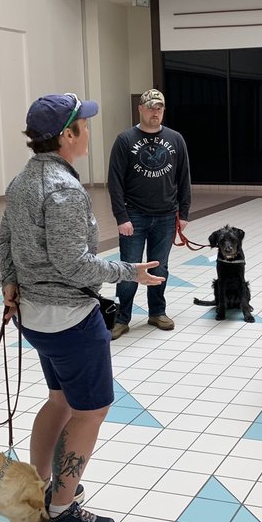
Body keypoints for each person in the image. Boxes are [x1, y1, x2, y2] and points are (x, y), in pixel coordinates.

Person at [0, 93, 164, 522]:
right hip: (71, 319)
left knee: (60, 401)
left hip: (34, 317)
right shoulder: (64, 189)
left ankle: (38, 490)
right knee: (91, 411)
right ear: (66, 135)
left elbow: (5, 240)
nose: (88, 131)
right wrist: (130, 272)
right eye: (83, 125)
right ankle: (61, 512)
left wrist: (10, 283)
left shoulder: (21, 181)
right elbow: (73, 264)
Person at [107, 89, 192, 340]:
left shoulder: (176, 139)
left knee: (160, 267)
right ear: (140, 109)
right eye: (151, 107)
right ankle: (121, 317)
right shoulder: (125, 140)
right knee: (129, 267)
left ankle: (157, 312)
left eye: (159, 108)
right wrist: (121, 217)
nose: (155, 112)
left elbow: (184, 178)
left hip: (166, 216)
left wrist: (184, 213)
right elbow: (114, 181)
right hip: (134, 215)